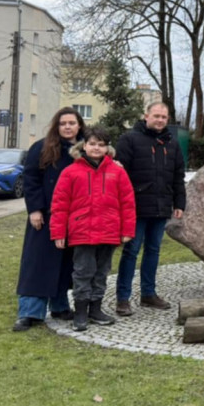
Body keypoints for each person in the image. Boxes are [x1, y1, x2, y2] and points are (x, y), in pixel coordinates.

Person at [50, 126, 137, 332]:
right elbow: (60, 204)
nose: (96, 148)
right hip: (82, 232)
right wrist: (58, 232)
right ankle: (80, 311)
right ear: (84, 146)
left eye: (101, 145)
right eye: (92, 144)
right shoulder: (71, 172)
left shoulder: (117, 172)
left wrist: (127, 230)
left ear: (107, 148)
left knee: (101, 272)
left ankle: (95, 309)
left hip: (109, 231)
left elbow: (127, 203)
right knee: (82, 272)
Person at [12, 107, 86, 332]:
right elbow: (31, 179)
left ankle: (60, 306)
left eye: (71, 123)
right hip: (45, 216)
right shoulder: (42, 148)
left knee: (65, 265)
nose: (67, 127)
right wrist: (34, 209)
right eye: (63, 123)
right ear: (57, 125)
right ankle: (30, 312)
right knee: (38, 263)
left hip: (73, 217)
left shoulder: (85, 150)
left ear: (79, 125)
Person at [114, 102, 186, 315]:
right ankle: (123, 298)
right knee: (131, 252)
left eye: (164, 117)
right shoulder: (129, 139)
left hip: (161, 207)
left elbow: (178, 176)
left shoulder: (171, 144)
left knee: (153, 251)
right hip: (135, 207)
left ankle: (148, 294)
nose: (160, 120)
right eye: (156, 116)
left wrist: (179, 203)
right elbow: (119, 174)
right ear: (146, 116)